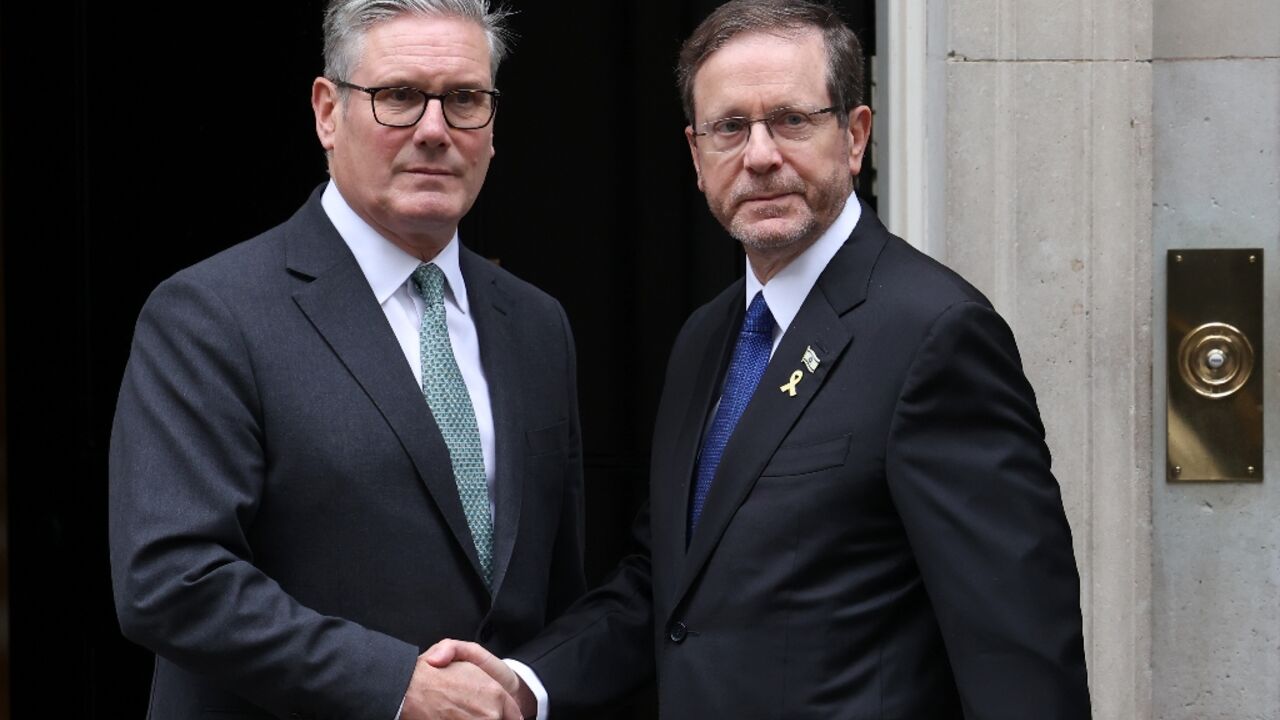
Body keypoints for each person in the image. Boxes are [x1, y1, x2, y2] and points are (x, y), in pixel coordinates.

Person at [427, 0, 1092, 717]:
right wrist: (523, 684)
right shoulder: (705, 340)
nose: (761, 154)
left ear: (856, 135)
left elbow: (1017, 654)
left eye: (792, 120)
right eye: (731, 127)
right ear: (696, 155)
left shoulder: (935, 334)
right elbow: (667, 585)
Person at [108, 1, 585, 718]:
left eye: (464, 100)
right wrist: (398, 686)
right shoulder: (210, 314)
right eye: (398, 97)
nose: (434, 130)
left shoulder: (538, 325)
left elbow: (552, 591)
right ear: (327, 112)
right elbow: (170, 579)